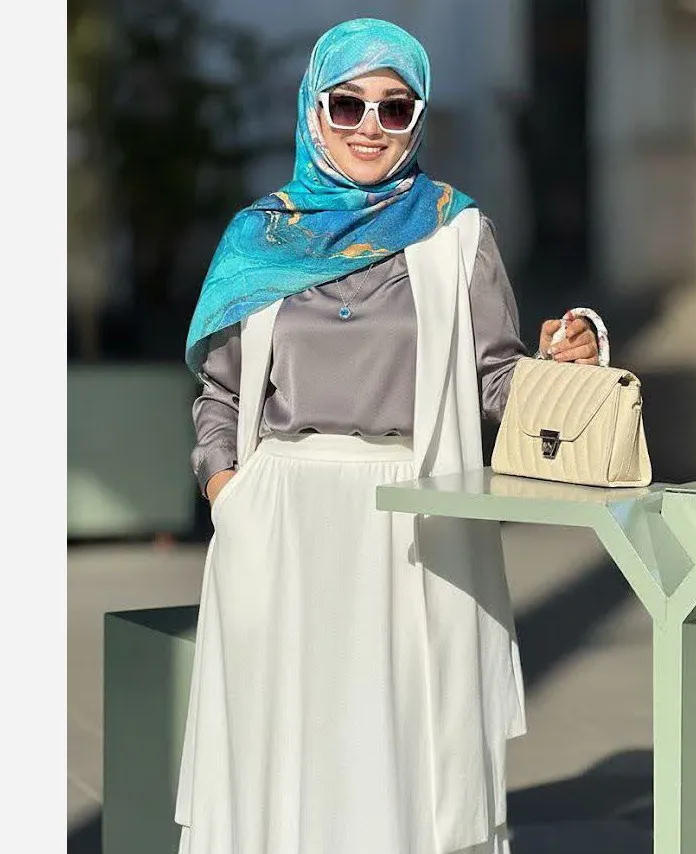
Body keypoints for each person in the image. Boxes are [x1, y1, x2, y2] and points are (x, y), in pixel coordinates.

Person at [176, 17, 609, 854]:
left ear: (417, 118)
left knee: (404, 753)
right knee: (281, 751)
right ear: (314, 111)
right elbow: (220, 393)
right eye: (348, 104)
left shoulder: (456, 231)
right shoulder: (259, 238)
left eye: (394, 106)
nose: (370, 126)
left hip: (415, 524)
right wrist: (230, 494)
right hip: (281, 525)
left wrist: (569, 358)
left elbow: (493, 382)